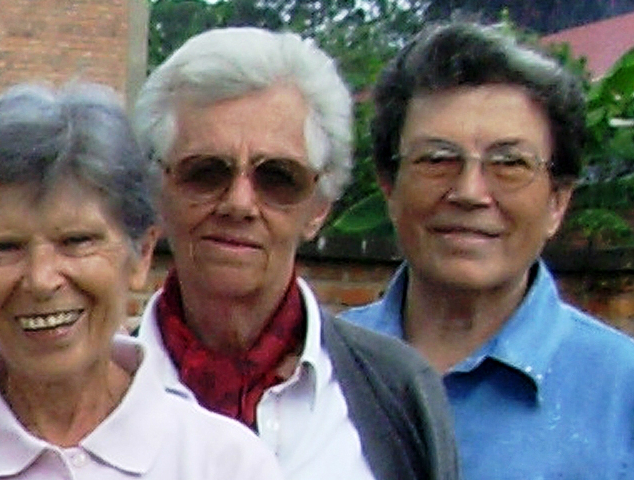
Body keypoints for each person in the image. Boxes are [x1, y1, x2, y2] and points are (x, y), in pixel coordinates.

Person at [0, 82, 285, 480]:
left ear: (140, 255)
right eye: (5, 247)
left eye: (76, 241)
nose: (41, 280)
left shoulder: (226, 465)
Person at [132, 27, 459, 480]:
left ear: (319, 206)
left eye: (278, 178)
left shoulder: (396, 392)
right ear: (158, 191)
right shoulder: (89, 393)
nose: (239, 204)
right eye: (206, 172)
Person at [342, 20, 634, 479]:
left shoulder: (622, 393)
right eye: (437, 159)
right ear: (388, 187)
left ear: (558, 200)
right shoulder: (312, 371)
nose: (470, 192)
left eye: (509, 163)